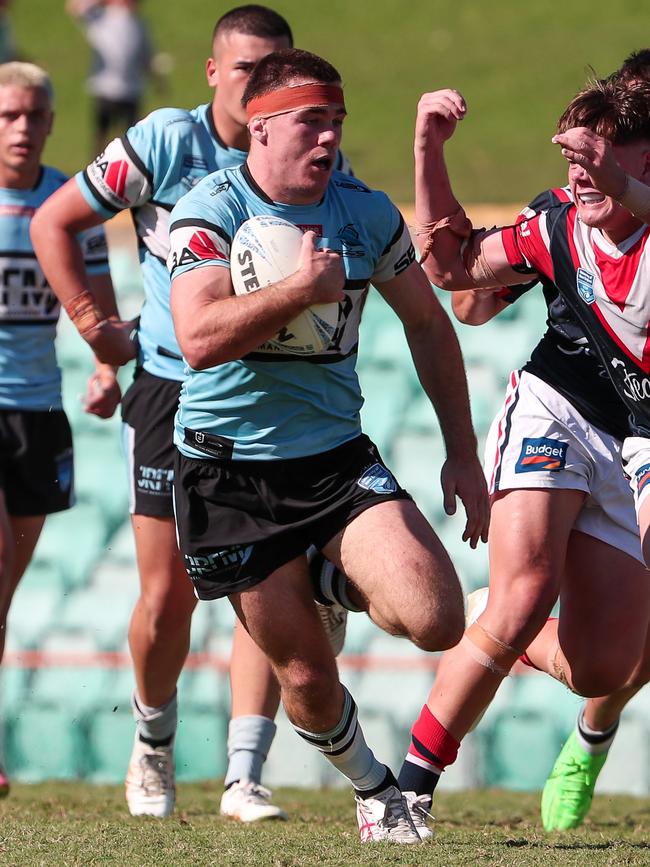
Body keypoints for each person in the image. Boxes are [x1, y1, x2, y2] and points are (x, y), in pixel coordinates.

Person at [31, 5, 353, 823]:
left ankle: (244, 775)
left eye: (278, 67)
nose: (264, 85)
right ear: (213, 72)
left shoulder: (305, 153)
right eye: (248, 70)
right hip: (173, 384)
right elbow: (56, 220)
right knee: (168, 596)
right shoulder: (167, 142)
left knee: (266, 578)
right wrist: (97, 331)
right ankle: (153, 741)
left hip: (269, 392)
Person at [166, 45, 488, 844]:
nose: (328, 139)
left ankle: (322, 577)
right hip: (226, 473)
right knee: (307, 677)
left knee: (439, 616)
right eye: (311, 122)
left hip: (332, 462)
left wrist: (463, 450)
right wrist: (297, 293)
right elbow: (199, 338)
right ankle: (377, 792)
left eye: (337, 123)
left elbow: (428, 324)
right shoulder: (208, 210)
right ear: (260, 128)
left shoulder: (364, 212)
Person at [392, 77, 650, 837]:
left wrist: (617, 177)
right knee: (524, 591)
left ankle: (504, 632)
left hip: (637, 436)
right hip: (557, 409)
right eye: (577, 155)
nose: (583, 170)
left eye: (601, 154)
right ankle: (408, 792)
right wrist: (427, 149)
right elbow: (456, 278)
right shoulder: (559, 222)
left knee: (604, 668)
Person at [0, 61, 117, 797]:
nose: (22, 128)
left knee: (4, 595)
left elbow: (97, 307)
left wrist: (106, 367)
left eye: (35, 116)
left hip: (38, 416)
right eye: (8, 115)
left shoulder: (68, 205)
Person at [541, 48, 650, 832]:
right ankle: (591, 730)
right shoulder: (583, 203)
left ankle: (592, 731)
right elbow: (470, 297)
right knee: (612, 648)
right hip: (629, 426)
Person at [66, 0, 160, 155]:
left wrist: (157, 81)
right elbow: (75, 7)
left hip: (132, 89)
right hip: (106, 88)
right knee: (101, 136)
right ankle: (95, 170)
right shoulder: (102, 17)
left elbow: (146, 56)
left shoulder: (139, 23)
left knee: (133, 137)